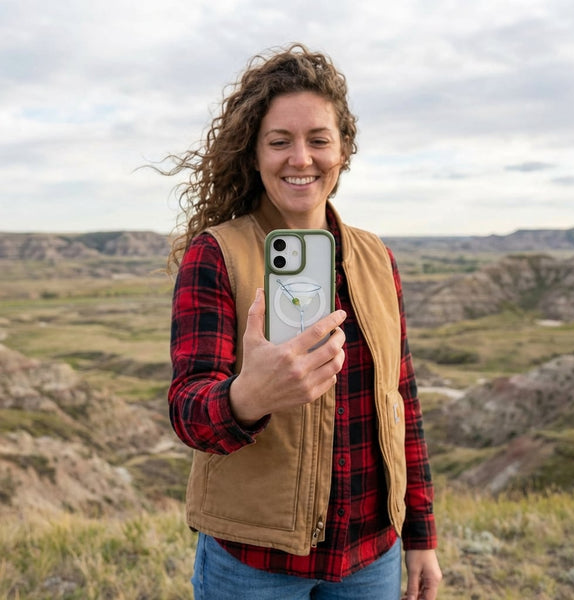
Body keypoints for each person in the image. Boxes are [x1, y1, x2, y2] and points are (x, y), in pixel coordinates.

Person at [165, 43, 442, 600]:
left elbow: (401, 401)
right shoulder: (217, 254)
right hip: (253, 562)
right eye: (279, 141)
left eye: (318, 139)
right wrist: (247, 398)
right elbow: (187, 410)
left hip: (371, 554)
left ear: (343, 150)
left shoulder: (376, 257)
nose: (300, 158)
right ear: (254, 154)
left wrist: (421, 535)